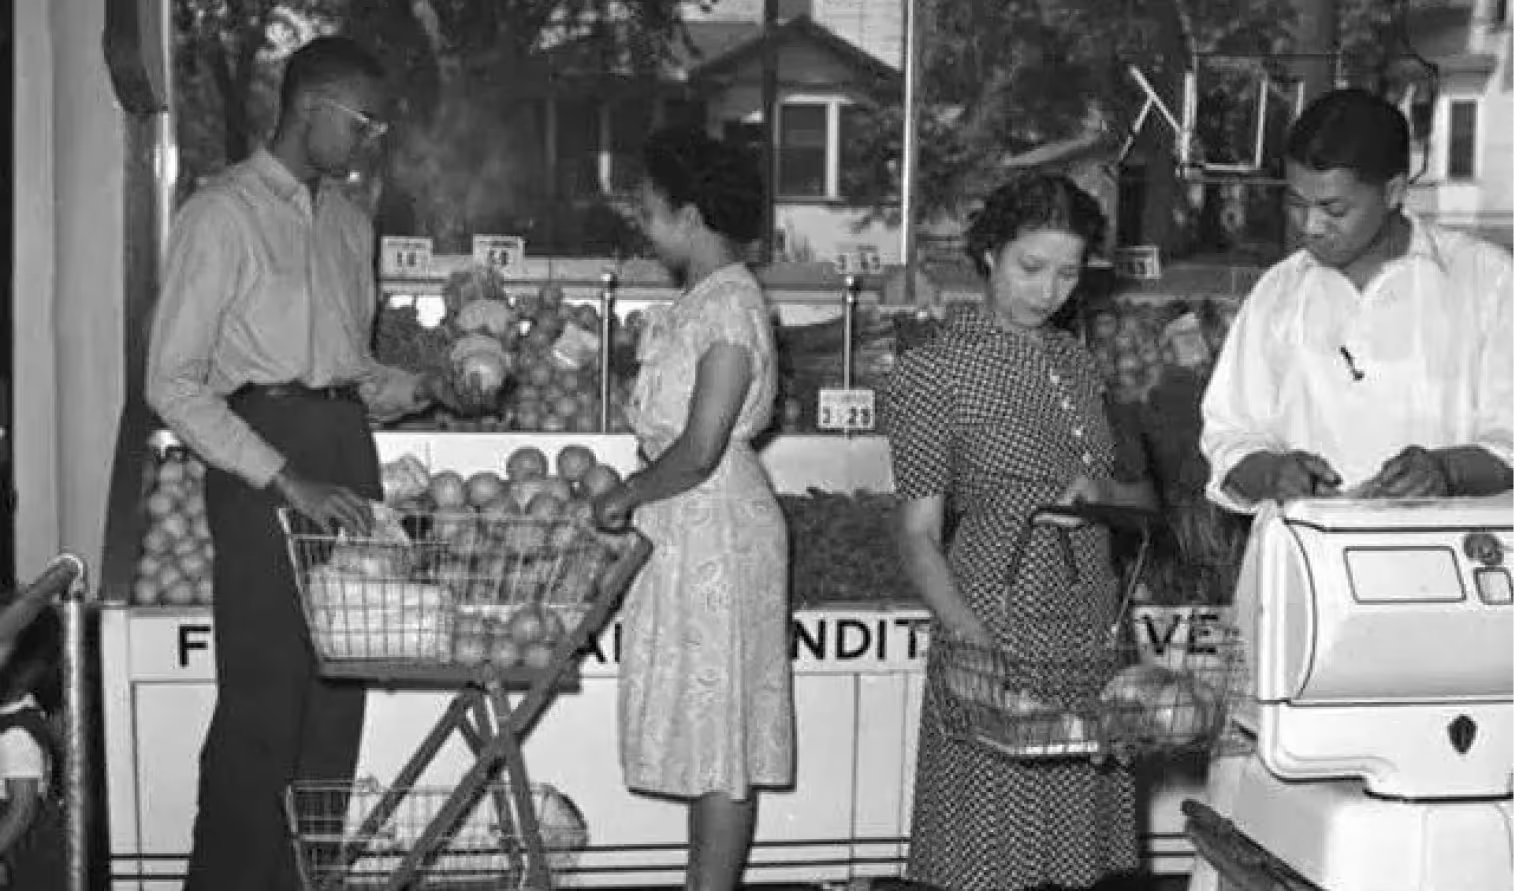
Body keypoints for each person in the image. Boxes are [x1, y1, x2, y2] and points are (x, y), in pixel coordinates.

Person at [146, 37, 464, 891]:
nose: (372, 144)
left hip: (344, 456)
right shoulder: (220, 215)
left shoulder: (351, 225)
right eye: (364, 124)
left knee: (335, 705)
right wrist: (286, 476)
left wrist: (432, 388)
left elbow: (352, 375)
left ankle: (306, 881)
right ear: (311, 108)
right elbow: (170, 385)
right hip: (263, 469)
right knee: (263, 705)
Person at [1191, 88, 1514, 891]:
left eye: (1333, 207)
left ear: (1397, 190)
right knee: (1260, 826)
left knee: (1420, 829)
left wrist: (1449, 467)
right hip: (1291, 605)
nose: (1309, 226)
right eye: (1296, 203)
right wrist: (1276, 469)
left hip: (1444, 613)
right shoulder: (1280, 294)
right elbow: (1225, 437)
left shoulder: (1486, 284)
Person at [887, 173, 1156, 891]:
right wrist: (967, 638)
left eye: (1068, 273)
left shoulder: (1077, 361)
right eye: (1030, 267)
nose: (1048, 291)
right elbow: (917, 532)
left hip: (1090, 623)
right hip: (994, 617)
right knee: (989, 853)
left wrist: (1102, 492)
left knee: (1076, 857)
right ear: (988, 255)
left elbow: (1142, 498)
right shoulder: (932, 370)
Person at [590, 128, 792, 890]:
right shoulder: (701, 300)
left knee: (723, 737)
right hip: (685, 525)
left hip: (717, 529)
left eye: (650, 208)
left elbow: (704, 444)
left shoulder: (732, 305)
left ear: (691, 212)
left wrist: (628, 493)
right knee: (704, 729)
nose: (643, 223)